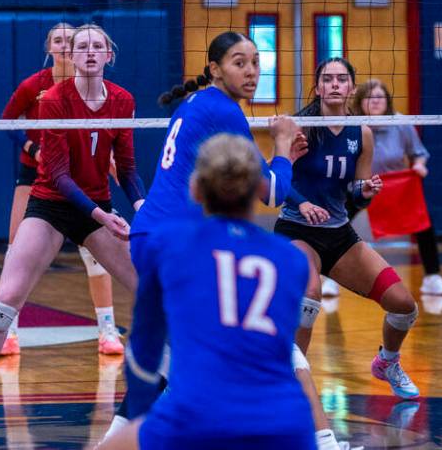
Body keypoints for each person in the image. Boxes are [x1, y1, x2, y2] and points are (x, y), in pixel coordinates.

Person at [106, 32, 353, 450]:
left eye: (256, 62)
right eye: (240, 63)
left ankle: (117, 438)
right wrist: (282, 147)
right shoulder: (224, 112)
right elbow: (272, 193)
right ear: (216, 69)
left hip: (157, 233)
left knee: (175, 342)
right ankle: (322, 437)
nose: (252, 72)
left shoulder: (198, 103)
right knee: (251, 330)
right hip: (177, 241)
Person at [0, 24, 144, 432]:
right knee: (7, 296)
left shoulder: (123, 100)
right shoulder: (52, 98)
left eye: (96, 46)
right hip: (52, 204)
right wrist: (100, 216)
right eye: (81, 46)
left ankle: (165, 387)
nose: (87, 52)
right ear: (69, 55)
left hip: (97, 205)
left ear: (109, 55)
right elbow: (58, 173)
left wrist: (142, 206)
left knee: (151, 289)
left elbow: (127, 166)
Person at [98, 134, 315, 449]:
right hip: (285, 422)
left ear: (195, 188)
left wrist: (145, 416)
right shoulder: (292, 260)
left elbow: (144, 351)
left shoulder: (171, 245)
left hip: (198, 413)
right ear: (257, 188)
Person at [275, 57, 421, 400]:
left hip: (339, 234)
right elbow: (276, 179)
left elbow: (356, 190)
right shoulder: (301, 127)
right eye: (328, 79)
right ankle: (291, 385)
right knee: (308, 298)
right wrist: (303, 202)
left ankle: (387, 361)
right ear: (318, 87)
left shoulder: (362, 132)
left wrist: (365, 192)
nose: (336, 84)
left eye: (342, 79)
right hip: (297, 230)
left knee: (403, 304)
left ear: (352, 88)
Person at [0, 22, 124, 356]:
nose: (66, 45)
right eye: (59, 40)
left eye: (72, 40)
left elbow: (104, 129)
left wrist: (109, 156)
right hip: (37, 178)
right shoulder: (35, 86)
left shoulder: (94, 85)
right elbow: (7, 121)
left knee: (96, 256)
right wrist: (32, 149)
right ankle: (8, 331)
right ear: (49, 48)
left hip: (83, 178)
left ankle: (107, 330)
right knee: (17, 250)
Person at [346, 78, 442, 296]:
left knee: (423, 225)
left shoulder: (401, 123)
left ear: (387, 101)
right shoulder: (353, 125)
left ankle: (433, 277)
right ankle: (329, 278)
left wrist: (419, 166)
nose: (375, 102)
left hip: (396, 186)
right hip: (362, 184)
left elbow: (419, 153)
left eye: (380, 97)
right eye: (369, 97)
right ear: (359, 101)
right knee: (339, 223)